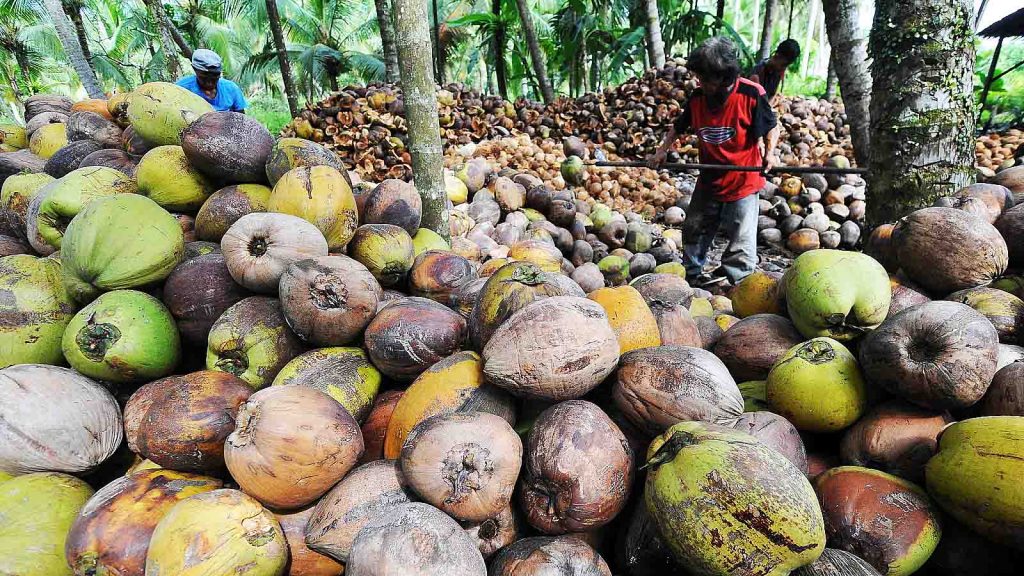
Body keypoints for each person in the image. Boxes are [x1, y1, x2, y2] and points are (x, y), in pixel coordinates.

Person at [648, 37, 780, 287]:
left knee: (741, 241)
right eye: (699, 77)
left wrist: (769, 154)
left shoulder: (750, 94)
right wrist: (661, 152)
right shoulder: (698, 97)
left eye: (706, 78)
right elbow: (678, 127)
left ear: (724, 77)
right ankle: (692, 275)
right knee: (694, 228)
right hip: (709, 178)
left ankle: (738, 286)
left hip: (744, 180)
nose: (700, 83)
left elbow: (772, 127)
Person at [176, 49, 248, 113]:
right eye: (204, 76)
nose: (210, 83)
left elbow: (242, 118)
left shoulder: (231, 89)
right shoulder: (181, 89)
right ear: (194, 69)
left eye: (215, 76)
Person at [749, 39, 800, 105]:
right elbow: (755, 102)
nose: (784, 69)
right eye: (783, 65)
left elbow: (772, 95)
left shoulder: (777, 73)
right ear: (777, 56)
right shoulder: (757, 73)